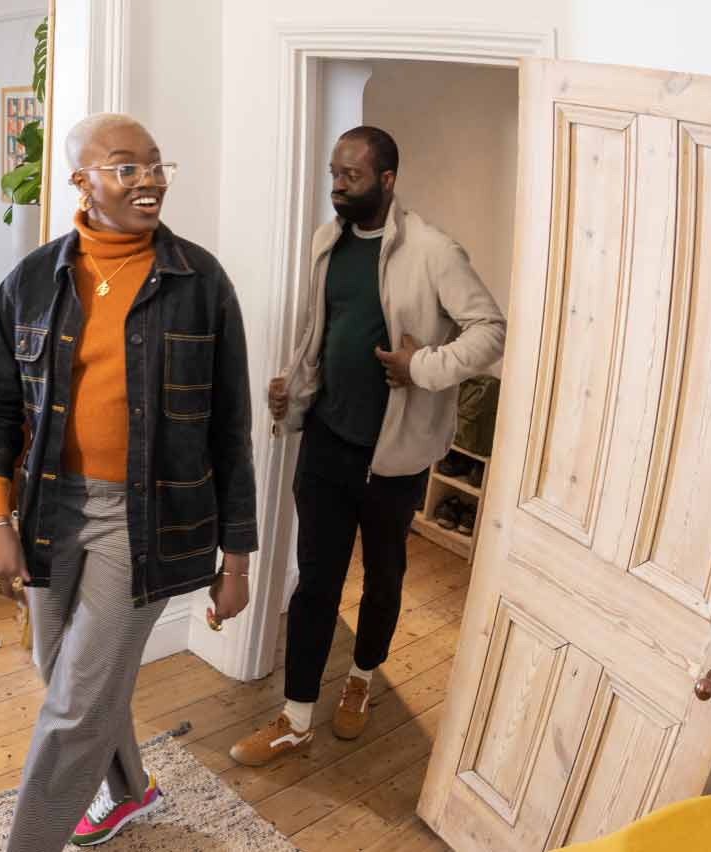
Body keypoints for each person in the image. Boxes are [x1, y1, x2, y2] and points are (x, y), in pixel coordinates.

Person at [0, 113, 259, 850]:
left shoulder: (201, 283)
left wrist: (237, 558)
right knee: (64, 676)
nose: (150, 180)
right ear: (83, 181)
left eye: (157, 165)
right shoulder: (33, 280)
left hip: (149, 522)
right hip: (47, 512)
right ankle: (130, 790)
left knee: (73, 706)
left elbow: (230, 428)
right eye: (127, 166)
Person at [230, 126, 505, 766]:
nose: (336, 186)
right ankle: (296, 717)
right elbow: (321, 332)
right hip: (327, 441)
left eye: (350, 176)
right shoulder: (329, 239)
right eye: (333, 173)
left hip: (396, 454)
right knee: (316, 582)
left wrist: (424, 367)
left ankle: (361, 679)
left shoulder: (434, 251)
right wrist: (294, 390)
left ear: (386, 180)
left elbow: (490, 330)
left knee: (383, 576)